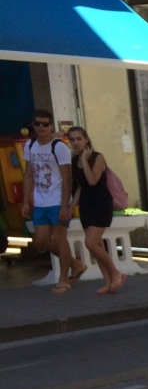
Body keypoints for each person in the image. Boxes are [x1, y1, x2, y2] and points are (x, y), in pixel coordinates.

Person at [21, 109, 80, 294]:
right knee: (41, 242)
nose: (41, 127)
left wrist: (65, 205)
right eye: (37, 124)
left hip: (56, 198)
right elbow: (28, 174)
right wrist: (25, 201)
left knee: (60, 238)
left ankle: (64, 279)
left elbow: (67, 177)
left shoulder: (59, 147)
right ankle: (75, 264)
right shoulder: (30, 145)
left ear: (51, 125)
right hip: (40, 200)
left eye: (45, 124)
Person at [66, 126, 125, 295]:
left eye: (79, 139)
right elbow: (80, 188)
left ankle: (115, 273)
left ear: (86, 140)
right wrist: (71, 208)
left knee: (90, 243)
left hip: (100, 204)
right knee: (97, 245)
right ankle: (108, 283)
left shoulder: (97, 158)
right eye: (72, 140)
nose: (75, 143)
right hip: (86, 205)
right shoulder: (74, 160)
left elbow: (92, 181)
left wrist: (85, 160)